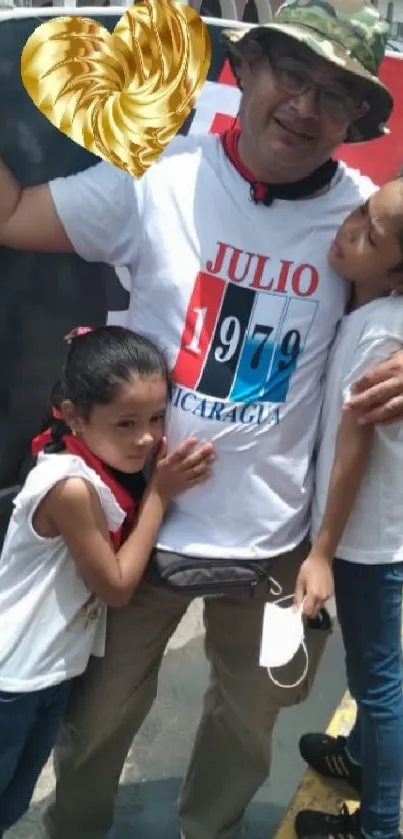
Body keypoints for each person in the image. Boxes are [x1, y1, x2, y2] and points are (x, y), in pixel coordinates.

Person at [1, 1, 403, 836]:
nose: (304, 106)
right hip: (136, 534)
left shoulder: (359, 218)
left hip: (279, 547)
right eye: (292, 74)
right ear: (245, 68)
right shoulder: (156, 179)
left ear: (355, 121)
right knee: (95, 722)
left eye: (334, 95)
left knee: (244, 730)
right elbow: (12, 217)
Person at [0, 325, 213, 836]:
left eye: (157, 418)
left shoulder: (99, 472)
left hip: (47, 675)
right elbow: (116, 586)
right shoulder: (70, 486)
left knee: (10, 804)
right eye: (125, 423)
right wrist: (160, 495)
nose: (146, 437)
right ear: (73, 414)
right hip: (13, 680)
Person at [293, 179, 403, 839]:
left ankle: (380, 825)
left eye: (369, 233)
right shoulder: (376, 319)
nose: (349, 226)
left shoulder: (375, 334)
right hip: (379, 533)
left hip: (366, 542)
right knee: (373, 668)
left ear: (395, 271)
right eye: (360, 211)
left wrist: (321, 549)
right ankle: (358, 755)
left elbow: (351, 453)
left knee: (377, 678)